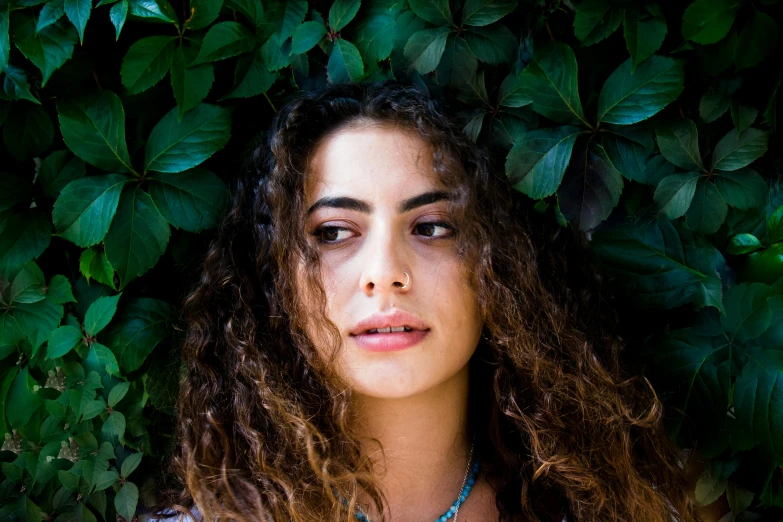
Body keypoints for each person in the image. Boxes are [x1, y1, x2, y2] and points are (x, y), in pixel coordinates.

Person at [146, 80, 705, 522]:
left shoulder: (618, 506)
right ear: (273, 278)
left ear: (502, 266)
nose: (385, 274)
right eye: (334, 232)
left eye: (433, 226)